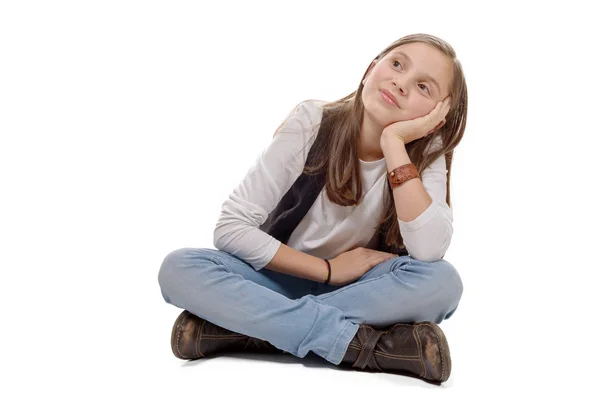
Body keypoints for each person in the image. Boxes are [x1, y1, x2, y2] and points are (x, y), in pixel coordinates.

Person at [158, 33, 468, 384]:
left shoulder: (427, 155)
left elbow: (429, 250)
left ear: (436, 117)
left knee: (442, 283)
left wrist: (394, 143)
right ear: (370, 69)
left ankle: (249, 331)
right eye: (397, 64)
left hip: (362, 295)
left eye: (423, 87)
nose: (400, 83)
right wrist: (327, 270)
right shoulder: (312, 122)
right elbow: (231, 228)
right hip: (274, 282)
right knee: (179, 268)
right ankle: (362, 345)